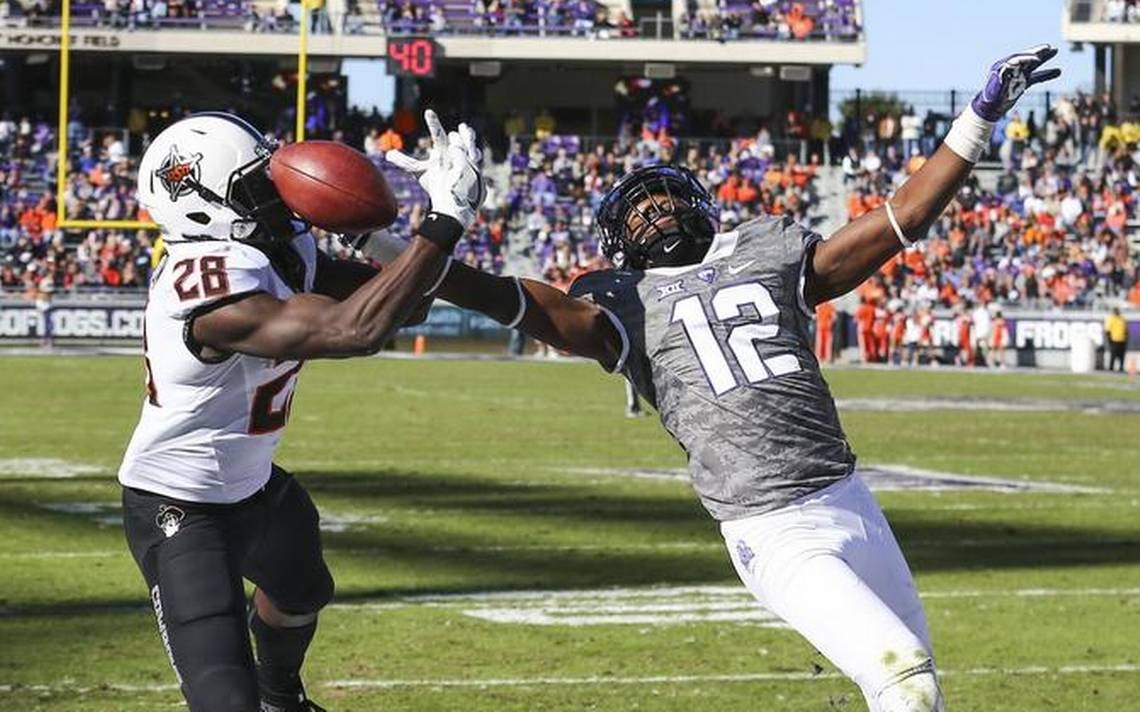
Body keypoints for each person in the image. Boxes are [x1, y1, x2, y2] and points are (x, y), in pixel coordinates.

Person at [358, 45, 1061, 712]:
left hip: (850, 497)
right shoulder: (620, 301)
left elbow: (900, 219)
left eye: (661, 199)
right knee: (904, 678)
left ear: (699, 204)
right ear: (618, 243)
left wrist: (980, 115)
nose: (653, 212)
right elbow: (511, 301)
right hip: (772, 527)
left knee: (916, 688)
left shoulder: (768, 250)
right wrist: (405, 243)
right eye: (636, 211)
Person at [117, 110, 485, 712]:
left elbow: (404, 306)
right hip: (179, 506)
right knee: (223, 700)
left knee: (303, 593)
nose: (279, 193)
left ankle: (282, 696)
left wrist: (377, 237)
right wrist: (443, 223)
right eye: (259, 186)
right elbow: (355, 329)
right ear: (203, 203)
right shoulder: (203, 288)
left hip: (255, 487)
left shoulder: (279, 251)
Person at [1105, 306, 1128, 371]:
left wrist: (1126, 338)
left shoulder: (1122, 319)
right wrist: (1109, 340)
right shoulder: (1111, 319)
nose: (1117, 312)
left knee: (1122, 355)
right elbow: (1108, 330)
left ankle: (1121, 367)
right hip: (1114, 340)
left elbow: (1126, 330)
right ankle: (1111, 367)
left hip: (1122, 340)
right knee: (1113, 355)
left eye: (1117, 310)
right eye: (1115, 311)